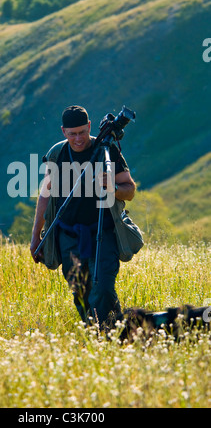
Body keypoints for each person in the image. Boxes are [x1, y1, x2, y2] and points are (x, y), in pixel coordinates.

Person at [30, 106, 136, 328]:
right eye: (72, 134)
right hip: (68, 236)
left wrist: (113, 188)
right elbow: (45, 196)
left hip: (103, 232)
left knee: (103, 288)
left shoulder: (106, 151)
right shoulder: (57, 155)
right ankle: (108, 332)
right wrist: (35, 237)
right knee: (80, 292)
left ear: (89, 126)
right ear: (63, 132)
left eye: (82, 132)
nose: (78, 139)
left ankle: (106, 335)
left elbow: (130, 190)